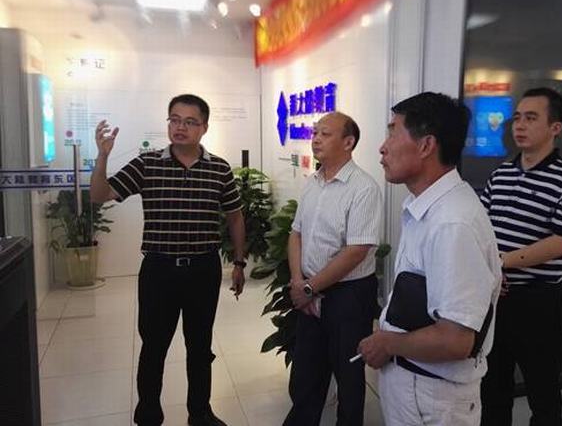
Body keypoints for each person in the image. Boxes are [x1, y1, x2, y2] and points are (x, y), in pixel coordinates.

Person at [90, 94, 246, 426]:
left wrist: (239, 262)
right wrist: (102, 157)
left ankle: (200, 413)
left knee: (200, 346)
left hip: (203, 270)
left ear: (204, 127)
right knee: (154, 346)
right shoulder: (147, 164)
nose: (180, 127)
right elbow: (99, 195)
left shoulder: (219, 168)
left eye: (190, 122)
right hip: (159, 270)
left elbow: (235, 216)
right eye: (174, 119)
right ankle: (148, 414)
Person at [358, 92, 501, 426]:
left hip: (432, 398)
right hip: (416, 386)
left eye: (393, 133)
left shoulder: (452, 222)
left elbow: (456, 340)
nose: (382, 147)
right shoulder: (428, 207)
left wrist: (387, 343)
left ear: (426, 146)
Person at [479, 87, 562, 426]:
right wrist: (488, 272)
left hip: (537, 303)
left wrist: (501, 263)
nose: (519, 125)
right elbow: (480, 228)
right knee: (492, 389)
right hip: (495, 298)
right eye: (517, 118)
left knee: (543, 394)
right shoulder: (501, 174)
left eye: (531, 118)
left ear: (555, 127)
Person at [283, 112, 383, 426]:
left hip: (348, 295)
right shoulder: (313, 183)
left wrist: (310, 287)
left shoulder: (363, 188)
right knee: (306, 373)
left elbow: (356, 252)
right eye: (315, 133)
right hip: (308, 289)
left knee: (348, 377)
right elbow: (295, 234)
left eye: (325, 134)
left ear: (348, 142)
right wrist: (299, 282)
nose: (315, 139)